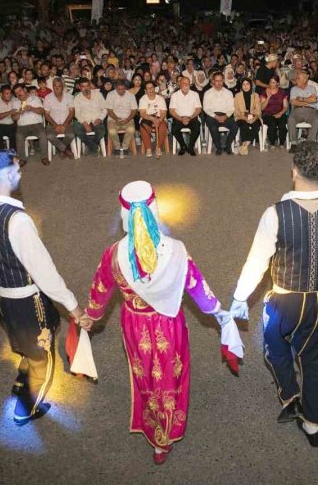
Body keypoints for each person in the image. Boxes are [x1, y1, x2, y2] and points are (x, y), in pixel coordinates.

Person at [229, 142, 318, 446]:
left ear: (293, 169)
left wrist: (241, 296)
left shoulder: (275, 213)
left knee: (274, 346)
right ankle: (312, 423)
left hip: (285, 299)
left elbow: (257, 260)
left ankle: (289, 394)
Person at [80, 181, 226, 464]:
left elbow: (100, 291)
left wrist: (91, 315)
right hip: (169, 324)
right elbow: (196, 285)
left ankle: (156, 435)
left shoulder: (113, 255)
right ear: (154, 209)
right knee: (172, 373)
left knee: (146, 375)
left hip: (135, 325)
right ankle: (170, 428)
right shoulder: (176, 250)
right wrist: (218, 311)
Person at [0, 149, 85, 426]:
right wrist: (73, 306)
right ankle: (27, 408)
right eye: (18, 170)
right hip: (26, 300)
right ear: (8, 174)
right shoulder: (18, 220)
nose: (21, 174)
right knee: (43, 353)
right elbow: (43, 271)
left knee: (19, 335)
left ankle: (23, 375)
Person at [202, 71, 238, 155]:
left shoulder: (229, 93)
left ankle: (227, 146)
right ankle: (218, 147)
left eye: (220, 80)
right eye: (216, 81)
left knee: (235, 126)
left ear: (223, 81)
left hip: (225, 115)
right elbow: (206, 108)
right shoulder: (207, 93)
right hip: (212, 116)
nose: (218, 83)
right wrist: (215, 116)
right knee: (213, 126)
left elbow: (231, 108)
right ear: (213, 81)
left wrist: (226, 116)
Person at [13, 84, 49, 166]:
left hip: (36, 124)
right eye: (16, 93)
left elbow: (42, 111)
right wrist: (19, 112)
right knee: (18, 136)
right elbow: (14, 118)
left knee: (43, 134)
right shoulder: (15, 101)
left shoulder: (35, 98)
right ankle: (22, 159)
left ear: (25, 89)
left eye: (20, 91)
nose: (18, 94)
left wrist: (31, 108)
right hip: (22, 126)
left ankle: (44, 157)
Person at [287, 69, 318, 151]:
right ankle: (294, 143)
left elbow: (313, 100)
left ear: (304, 80)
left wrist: (301, 99)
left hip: (310, 111)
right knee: (290, 119)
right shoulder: (293, 89)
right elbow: (293, 102)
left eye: (298, 78)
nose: (296, 80)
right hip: (297, 111)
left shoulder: (311, 88)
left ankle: (309, 143)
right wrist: (306, 101)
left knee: (317, 121)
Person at [43, 77, 76, 159]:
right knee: (50, 136)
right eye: (55, 86)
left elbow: (72, 112)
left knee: (71, 135)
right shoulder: (48, 98)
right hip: (52, 124)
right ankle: (65, 149)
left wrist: (64, 125)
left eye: (59, 86)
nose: (57, 88)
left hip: (67, 123)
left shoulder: (69, 97)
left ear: (62, 87)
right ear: (52, 87)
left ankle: (61, 149)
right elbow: (46, 114)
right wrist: (55, 126)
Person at [169, 76, 202, 156]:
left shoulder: (195, 94)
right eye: (183, 83)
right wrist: (181, 119)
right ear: (179, 84)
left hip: (192, 117)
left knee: (197, 127)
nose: (185, 85)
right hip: (179, 118)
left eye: (187, 83)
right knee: (174, 129)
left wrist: (190, 117)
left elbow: (198, 109)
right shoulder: (174, 95)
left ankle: (190, 147)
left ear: (190, 84)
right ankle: (183, 146)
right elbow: (171, 111)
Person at [72, 78, 107, 156]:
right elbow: (77, 113)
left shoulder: (98, 94)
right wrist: (85, 124)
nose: (86, 88)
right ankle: (94, 147)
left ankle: (89, 146)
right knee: (77, 130)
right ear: (80, 87)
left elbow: (105, 108)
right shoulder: (77, 98)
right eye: (83, 86)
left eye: (87, 86)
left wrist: (100, 119)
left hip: (96, 119)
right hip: (84, 120)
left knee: (101, 131)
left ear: (90, 85)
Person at [104, 79, 138, 157]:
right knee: (112, 131)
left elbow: (134, 110)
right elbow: (109, 110)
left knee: (131, 130)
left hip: (127, 118)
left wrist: (128, 119)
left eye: (123, 89)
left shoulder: (131, 95)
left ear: (125, 88)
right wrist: (116, 119)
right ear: (115, 88)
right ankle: (117, 147)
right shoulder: (110, 95)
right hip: (113, 119)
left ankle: (125, 148)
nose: (121, 91)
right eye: (119, 89)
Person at [138, 81, 169, 157]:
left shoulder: (160, 99)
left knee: (163, 127)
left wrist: (159, 120)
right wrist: (152, 119)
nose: (150, 90)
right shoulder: (142, 99)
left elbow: (163, 112)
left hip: (159, 118)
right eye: (148, 88)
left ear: (154, 89)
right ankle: (148, 149)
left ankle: (158, 147)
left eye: (152, 87)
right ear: (145, 91)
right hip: (147, 117)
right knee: (143, 127)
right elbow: (143, 114)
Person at [234, 77, 262, 155]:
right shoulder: (237, 96)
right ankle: (244, 145)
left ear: (251, 85)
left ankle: (244, 145)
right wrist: (245, 118)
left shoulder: (255, 95)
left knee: (256, 125)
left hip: (254, 116)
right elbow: (236, 111)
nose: (246, 86)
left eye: (247, 84)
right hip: (241, 117)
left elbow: (258, 109)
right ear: (241, 86)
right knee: (244, 125)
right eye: (243, 84)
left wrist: (255, 117)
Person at [260, 75, 288, 149]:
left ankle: (282, 142)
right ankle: (272, 142)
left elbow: (285, 106)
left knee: (282, 124)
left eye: (273, 82)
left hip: (280, 113)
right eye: (270, 82)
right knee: (272, 124)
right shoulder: (264, 92)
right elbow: (262, 108)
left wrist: (280, 113)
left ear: (278, 83)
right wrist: (268, 97)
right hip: (267, 114)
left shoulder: (282, 92)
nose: (271, 84)